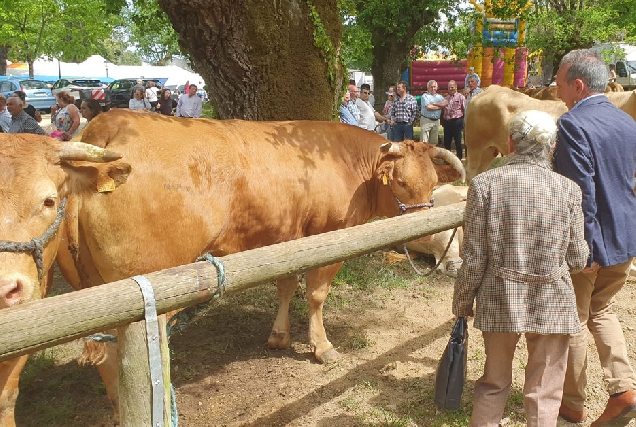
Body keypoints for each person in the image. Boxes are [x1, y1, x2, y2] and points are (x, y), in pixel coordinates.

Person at [453, 109, 589, 427]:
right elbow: (578, 259)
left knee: (493, 384)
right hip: (553, 298)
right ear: (552, 147)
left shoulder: (484, 185)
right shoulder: (569, 190)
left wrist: (462, 299)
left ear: (511, 144)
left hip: (500, 294)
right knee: (545, 392)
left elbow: (474, 256)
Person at [553, 48, 636, 426]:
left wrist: (585, 249)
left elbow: (579, 193)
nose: (555, 86)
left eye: (559, 79)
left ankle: (571, 404)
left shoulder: (571, 124)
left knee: (573, 319)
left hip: (592, 245)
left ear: (578, 85)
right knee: (602, 311)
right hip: (625, 238)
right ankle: (623, 390)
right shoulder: (627, 123)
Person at [441, 80, 466, 159]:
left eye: (452, 87)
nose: (450, 89)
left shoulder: (461, 97)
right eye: (449, 87)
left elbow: (465, 109)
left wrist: (464, 122)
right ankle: (447, 160)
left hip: (457, 122)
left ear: (456, 87)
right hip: (447, 122)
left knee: (458, 142)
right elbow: (443, 110)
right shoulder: (446, 98)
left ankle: (459, 158)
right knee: (447, 143)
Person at [419, 80, 447, 145]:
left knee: (434, 142)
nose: (433, 88)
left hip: (436, 121)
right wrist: (439, 106)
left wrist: (434, 104)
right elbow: (428, 107)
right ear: (428, 88)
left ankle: (431, 155)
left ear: (437, 87)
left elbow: (445, 103)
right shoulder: (424, 96)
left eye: (434, 87)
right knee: (424, 142)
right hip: (426, 120)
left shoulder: (439, 96)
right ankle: (424, 155)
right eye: (431, 87)